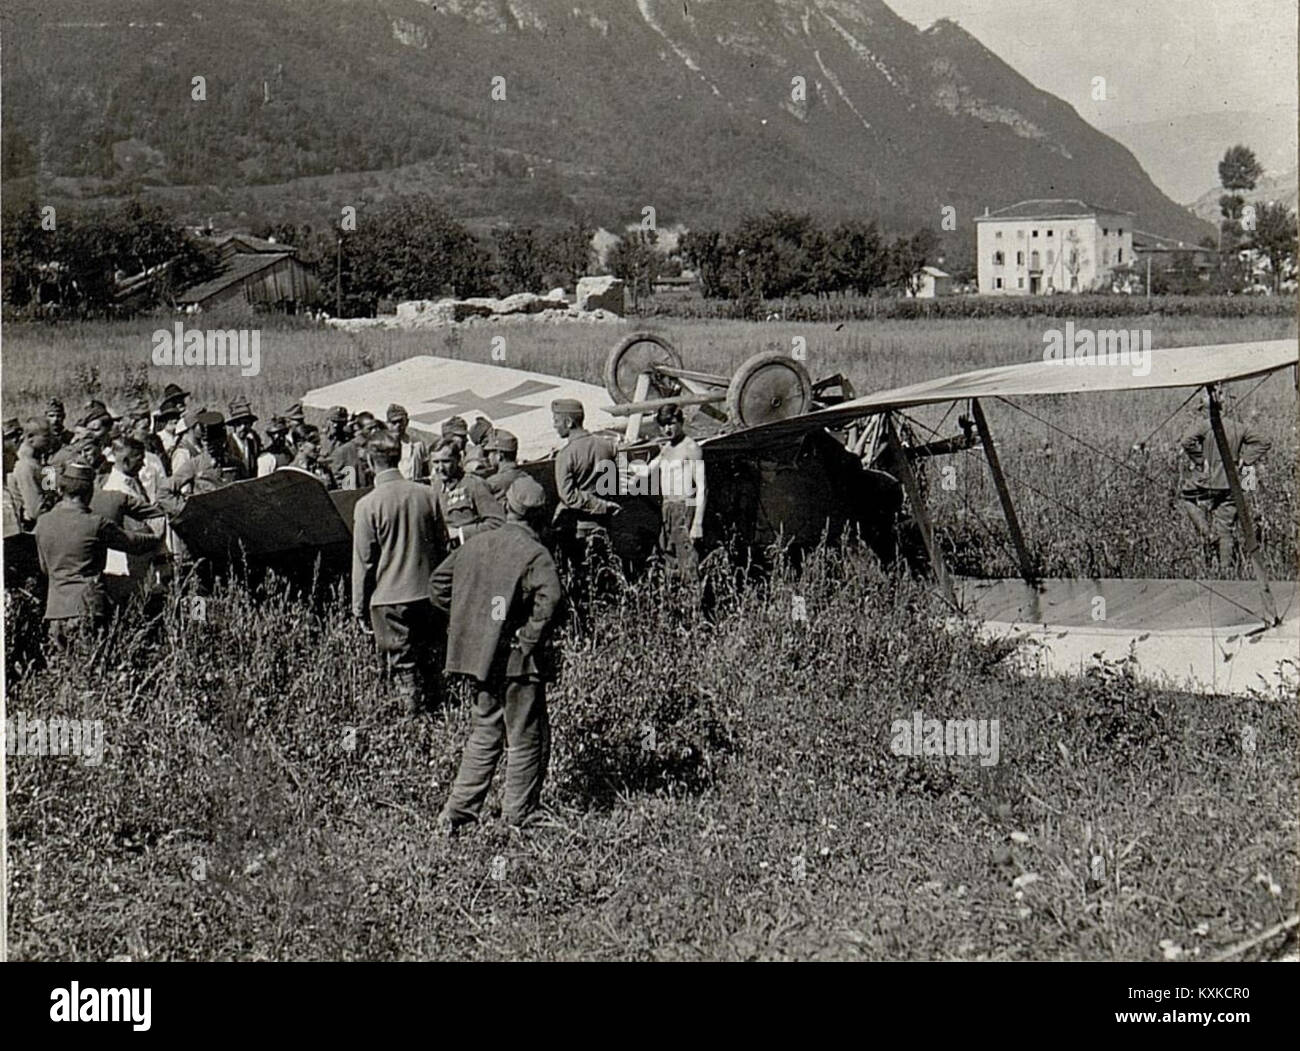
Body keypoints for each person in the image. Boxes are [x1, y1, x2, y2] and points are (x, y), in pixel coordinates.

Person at [432, 476, 564, 833]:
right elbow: (550, 600)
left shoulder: (477, 542)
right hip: (519, 659)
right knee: (524, 735)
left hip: (480, 656)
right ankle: (518, 814)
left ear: (507, 507)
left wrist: (473, 621)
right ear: (538, 517)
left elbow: (439, 586)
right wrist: (528, 634)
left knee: (484, 732)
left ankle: (457, 813)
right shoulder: (535, 553)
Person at [351, 430, 444, 713]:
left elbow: (364, 562)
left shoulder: (368, 505)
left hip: (389, 599)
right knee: (430, 661)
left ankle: (411, 725)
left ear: (370, 460)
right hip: (427, 592)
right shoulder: (428, 494)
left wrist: (358, 606)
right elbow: (443, 547)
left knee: (403, 667)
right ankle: (437, 716)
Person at [34, 460, 162, 646]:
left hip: (55, 611)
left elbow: (45, 568)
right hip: (89, 607)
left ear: (62, 490)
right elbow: (133, 544)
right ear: (89, 493)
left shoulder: (43, 523)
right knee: (95, 668)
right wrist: (156, 536)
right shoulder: (96, 524)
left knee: (66, 669)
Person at [1178, 396, 1271, 570]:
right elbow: (1264, 441)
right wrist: (1245, 460)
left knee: (1186, 498)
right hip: (1233, 482)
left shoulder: (1204, 425)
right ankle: (1225, 570)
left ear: (1206, 410)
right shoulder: (1238, 427)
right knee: (1225, 526)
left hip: (1208, 481)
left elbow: (1186, 441)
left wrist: (1200, 460)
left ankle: (1208, 533)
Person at [551, 398, 620, 584]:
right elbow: (615, 483)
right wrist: (605, 505)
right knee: (604, 574)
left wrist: (599, 505)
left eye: (556, 421)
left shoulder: (565, 455)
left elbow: (568, 496)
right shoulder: (607, 446)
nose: (554, 426)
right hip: (604, 524)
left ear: (568, 422)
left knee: (581, 578)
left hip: (578, 527)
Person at [643, 404, 706, 579]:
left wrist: (697, 523)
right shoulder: (666, 448)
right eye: (663, 425)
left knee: (688, 562)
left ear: (680, 422)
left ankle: (694, 604)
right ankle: (676, 602)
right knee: (669, 559)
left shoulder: (691, 448)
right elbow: (645, 471)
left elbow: (702, 487)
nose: (666, 429)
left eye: (671, 423)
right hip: (667, 508)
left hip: (685, 507)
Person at [430, 439, 504, 548]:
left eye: (446, 461)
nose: (440, 468)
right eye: (436, 462)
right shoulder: (435, 488)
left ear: (458, 460)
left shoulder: (474, 485)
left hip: (472, 551)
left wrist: (460, 533)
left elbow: (498, 523)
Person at [163, 411, 236, 497]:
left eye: (214, 442)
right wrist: (183, 507)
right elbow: (164, 490)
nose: (208, 445)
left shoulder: (236, 465)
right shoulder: (194, 465)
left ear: (223, 440)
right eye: (206, 442)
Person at [6, 418, 54, 531]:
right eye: (46, 436)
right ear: (30, 438)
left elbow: (50, 491)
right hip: (34, 529)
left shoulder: (41, 461)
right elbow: (35, 511)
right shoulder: (25, 467)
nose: (51, 440)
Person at [331, 412, 379, 489]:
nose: (375, 431)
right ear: (360, 430)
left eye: (376, 427)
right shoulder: (344, 451)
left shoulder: (377, 448)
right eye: (370, 429)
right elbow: (336, 479)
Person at [387, 403, 428, 482]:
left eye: (401, 421)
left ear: (407, 422)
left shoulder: (418, 444)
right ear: (388, 424)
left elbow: (425, 469)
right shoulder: (385, 446)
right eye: (394, 422)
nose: (398, 425)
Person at [287, 423, 336, 488]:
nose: (319, 446)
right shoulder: (291, 473)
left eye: (319, 442)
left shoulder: (323, 468)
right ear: (300, 446)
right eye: (315, 443)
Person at [483, 430, 527, 500]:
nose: (488, 457)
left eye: (489, 453)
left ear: (499, 455)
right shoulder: (525, 475)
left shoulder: (492, 483)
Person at [225, 396, 262, 479]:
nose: (243, 427)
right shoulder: (227, 443)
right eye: (239, 424)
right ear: (234, 425)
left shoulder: (253, 443)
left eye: (246, 423)